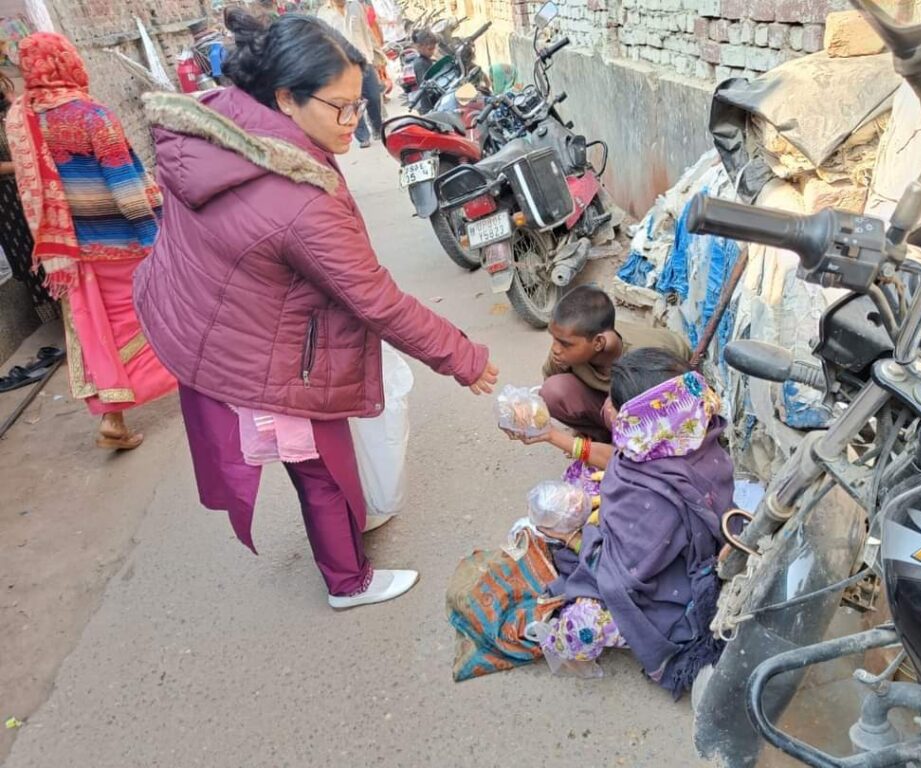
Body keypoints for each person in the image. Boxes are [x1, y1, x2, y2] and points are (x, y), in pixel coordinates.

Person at [134, 10, 498, 610]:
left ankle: (348, 550)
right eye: (341, 108)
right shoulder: (299, 201)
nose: (355, 125)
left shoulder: (219, 125)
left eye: (360, 105)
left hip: (212, 318)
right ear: (285, 97)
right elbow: (375, 298)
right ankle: (347, 582)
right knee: (321, 466)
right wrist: (464, 356)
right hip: (259, 345)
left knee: (316, 464)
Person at [7, 34, 176, 449]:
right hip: (121, 241)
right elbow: (123, 183)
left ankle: (113, 417)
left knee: (96, 328)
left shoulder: (22, 120)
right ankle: (196, 380)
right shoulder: (90, 115)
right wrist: (156, 239)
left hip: (68, 251)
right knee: (153, 311)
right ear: (68, 62)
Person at [541, 348, 735, 697]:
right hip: (677, 549)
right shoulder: (695, 439)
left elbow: (626, 574)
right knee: (581, 482)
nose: (609, 411)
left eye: (615, 407)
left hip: (670, 591)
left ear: (640, 421)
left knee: (577, 630)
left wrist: (574, 539)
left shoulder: (651, 494)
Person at [540, 285, 691, 442]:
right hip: (615, 401)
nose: (555, 349)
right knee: (552, 391)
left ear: (598, 343)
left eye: (564, 344)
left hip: (659, 398)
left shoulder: (643, 360)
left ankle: (626, 452)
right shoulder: (575, 341)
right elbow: (550, 379)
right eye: (554, 339)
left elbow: (674, 404)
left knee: (611, 408)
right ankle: (601, 439)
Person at [0, 72, 57, 323]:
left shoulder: (8, 103)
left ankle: (71, 311)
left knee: (48, 244)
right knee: (29, 255)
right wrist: (24, 164)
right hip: (7, 199)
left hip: (29, 188)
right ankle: (53, 319)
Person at [317, 0, 383, 148]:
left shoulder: (355, 6)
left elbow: (366, 31)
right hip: (341, 66)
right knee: (351, 101)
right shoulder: (323, 14)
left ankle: (377, 127)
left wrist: (375, 55)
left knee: (373, 95)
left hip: (364, 59)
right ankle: (362, 136)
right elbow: (323, 43)